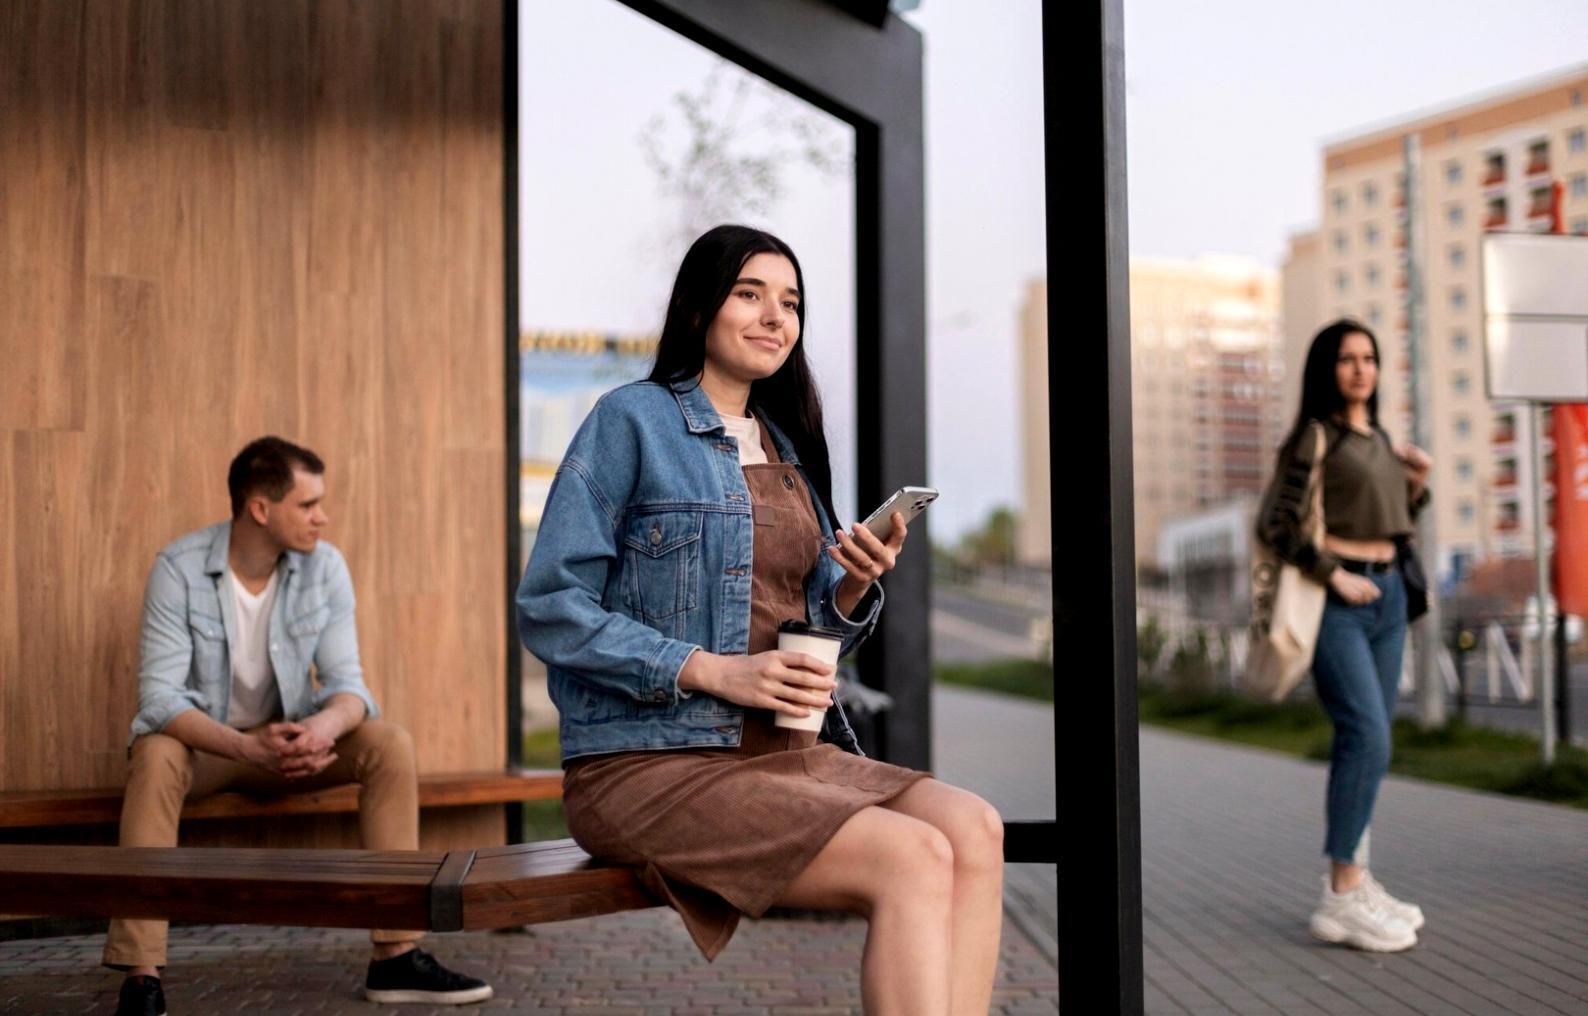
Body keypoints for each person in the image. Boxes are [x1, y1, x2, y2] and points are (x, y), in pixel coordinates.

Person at [516, 225, 1004, 1015]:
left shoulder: (787, 448)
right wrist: (710, 670)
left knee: (976, 829)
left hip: (781, 754)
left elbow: (805, 634)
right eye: (750, 294)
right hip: (647, 764)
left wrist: (851, 587)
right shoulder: (630, 421)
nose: (776, 317)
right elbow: (550, 607)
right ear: (700, 308)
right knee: (912, 857)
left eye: (791, 302)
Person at [106, 437, 491, 1015]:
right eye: (308, 505)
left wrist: (323, 730)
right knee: (156, 752)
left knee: (389, 744)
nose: (322, 517)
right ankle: (141, 978)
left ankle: (395, 954)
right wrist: (245, 748)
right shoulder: (178, 569)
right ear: (260, 508)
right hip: (213, 751)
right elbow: (159, 701)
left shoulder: (324, 566)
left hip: (289, 746)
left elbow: (350, 686)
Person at [1257, 319, 1433, 953]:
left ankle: (1355, 881)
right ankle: (1340, 892)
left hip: (1388, 598)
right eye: (1346, 358)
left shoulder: (1380, 438)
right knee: (1368, 735)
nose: (1361, 369)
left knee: (1368, 744)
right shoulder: (1316, 437)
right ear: (1326, 369)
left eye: (1369, 358)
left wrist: (1417, 485)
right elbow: (1276, 523)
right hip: (1339, 604)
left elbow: (1393, 521)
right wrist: (1334, 575)